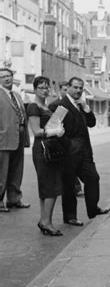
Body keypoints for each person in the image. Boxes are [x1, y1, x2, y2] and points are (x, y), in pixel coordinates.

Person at [49, 77, 110, 226]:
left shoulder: (81, 104)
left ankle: (93, 208)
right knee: (68, 185)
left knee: (93, 178)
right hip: (68, 152)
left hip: (84, 152)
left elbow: (91, 123)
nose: (78, 90)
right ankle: (70, 216)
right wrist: (68, 145)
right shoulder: (59, 105)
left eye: (80, 88)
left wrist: (87, 109)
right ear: (68, 87)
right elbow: (52, 129)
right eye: (75, 87)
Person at [26, 76, 65, 236]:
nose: (45, 90)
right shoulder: (34, 107)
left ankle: (44, 220)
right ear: (35, 89)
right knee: (51, 187)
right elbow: (36, 131)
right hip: (42, 149)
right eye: (41, 87)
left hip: (50, 148)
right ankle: (47, 222)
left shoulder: (46, 106)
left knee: (47, 186)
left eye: (47, 87)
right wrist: (54, 131)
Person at [0, 67, 30, 213]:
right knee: (2, 172)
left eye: (9, 76)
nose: (7, 79)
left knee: (16, 171)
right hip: (3, 139)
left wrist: (26, 137)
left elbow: (22, 116)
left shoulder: (17, 95)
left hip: (19, 137)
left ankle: (14, 199)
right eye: (3, 77)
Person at [50, 81, 83, 198]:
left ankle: (74, 189)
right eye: (64, 89)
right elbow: (52, 127)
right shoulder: (57, 105)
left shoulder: (78, 104)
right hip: (62, 143)